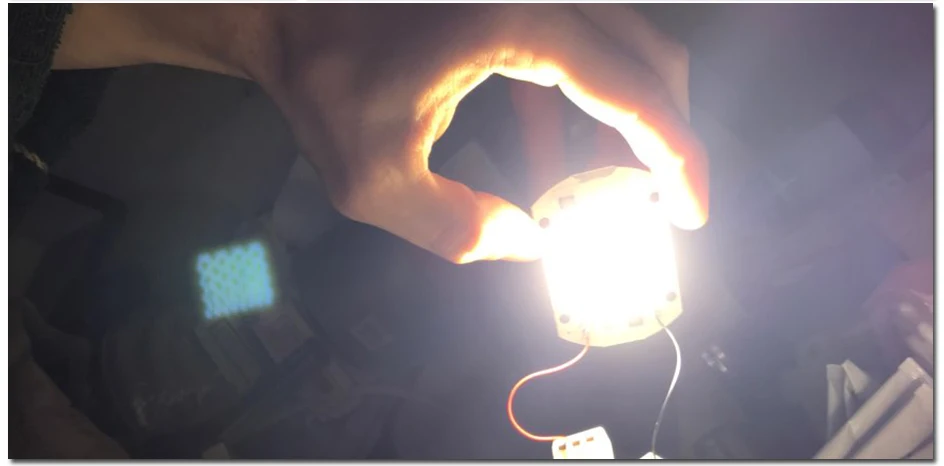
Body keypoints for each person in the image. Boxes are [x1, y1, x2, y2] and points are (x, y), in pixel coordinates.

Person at [10, 4, 709, 458]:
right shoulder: (285, 277)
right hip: (235, 295)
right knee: (192, 258)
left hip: (179, 375)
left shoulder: (359, 413)